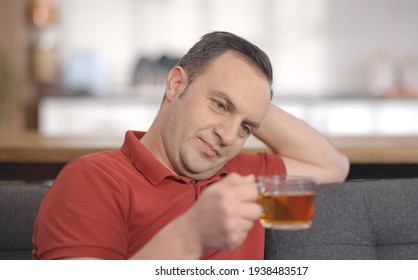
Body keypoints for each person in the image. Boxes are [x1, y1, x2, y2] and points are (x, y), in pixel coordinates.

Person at [32, 31, 349, 260]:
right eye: (220, 105)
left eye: (246, 127)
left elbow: (333, 166)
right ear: (176, 85)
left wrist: (250, 102)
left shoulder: (244, 178)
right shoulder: (93, 180)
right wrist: (192, 233)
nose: (227, 136)